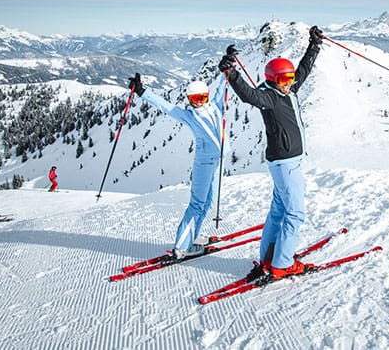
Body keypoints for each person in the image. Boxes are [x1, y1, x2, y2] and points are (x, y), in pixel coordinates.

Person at [219, 25, 323, 279]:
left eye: (290, 79)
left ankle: (269, 256)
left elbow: (303, 71)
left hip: (288, 162)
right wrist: (232, 73)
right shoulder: (270, 98)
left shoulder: (290, 90)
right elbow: (248, 95)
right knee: (295, 213)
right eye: (283, 80)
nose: (289, 83)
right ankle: (283, 264)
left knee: (278, 210)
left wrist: (314, 46)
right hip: (285, 164)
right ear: (272, 80)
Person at [127, 73, 225, 260]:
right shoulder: (189, 116)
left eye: (202, 98)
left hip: (217, 162)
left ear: (207, 95)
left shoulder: (216, 106)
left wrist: (227, 67)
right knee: (197, 204)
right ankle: (182, 247)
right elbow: (166, 106)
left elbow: (223, 85)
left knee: (207, 203)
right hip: (204, 164)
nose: (199, 103)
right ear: (189, 100)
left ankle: (191, 237)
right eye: (195, 99)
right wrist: (142, 91)